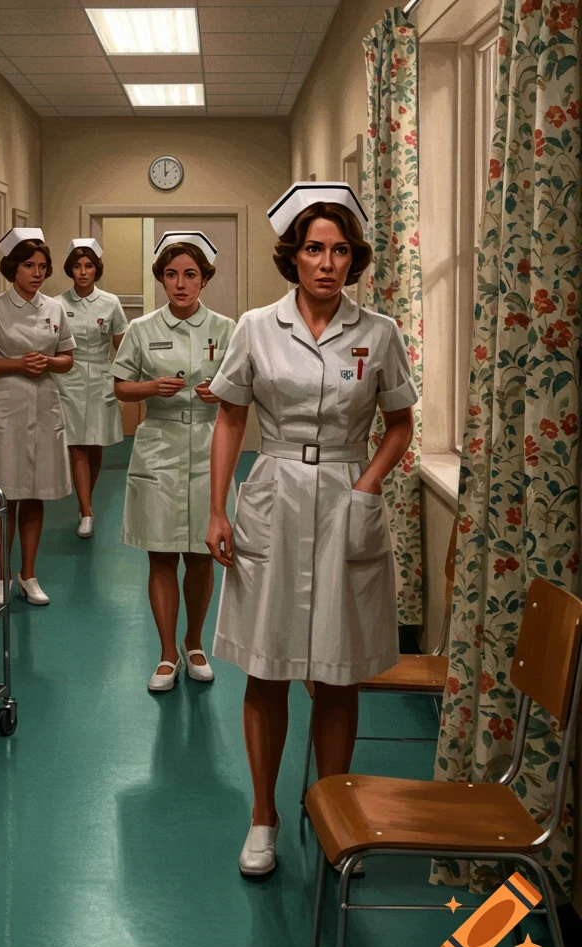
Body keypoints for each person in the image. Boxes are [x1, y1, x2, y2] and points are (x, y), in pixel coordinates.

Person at [205, 182, 416, 876]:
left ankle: (332, 810)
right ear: (292, 256)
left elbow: (400, 423)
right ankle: (262, 816)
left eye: (340, 250)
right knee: (265, 667)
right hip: (273, 491)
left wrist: (365, 485)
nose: (327, 261)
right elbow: (231, 415)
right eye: (313, 248)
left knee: (337, 672)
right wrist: (216, 508)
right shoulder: (255, 328)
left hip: (345, 495)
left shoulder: (378, 332)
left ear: (353, 259)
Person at [111, 232, 236, 692]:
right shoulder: (143, 329)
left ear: (204, 278)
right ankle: (167, 654)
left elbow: (247, 386)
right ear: (161, 279)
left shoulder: (227, 329)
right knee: (160, 553)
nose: (180, 284)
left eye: (190, 274)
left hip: (210, 443)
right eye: (171, 275)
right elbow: (121, 385)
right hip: (159, 444)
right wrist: (149, 389)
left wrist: (220, 393)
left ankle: (194, 642)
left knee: (201, 554)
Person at [0, 228, 75, 606]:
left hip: (44, 403)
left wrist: (48, 362)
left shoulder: (55, 309)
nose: (37, 273)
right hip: (6, 407)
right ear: (13, 268)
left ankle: (28, 574)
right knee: (4, 494)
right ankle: (1, 575)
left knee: (35, 493)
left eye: (43, 267)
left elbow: (68, 358)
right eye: (29, 265)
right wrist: (17, 363)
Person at [56, 238, 128, 538]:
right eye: (77, 266)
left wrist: (126, 379)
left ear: (96, 270)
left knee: (95, 446)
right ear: (70, 271)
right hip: (69, 378)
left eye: (88, 266)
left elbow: (122, 347)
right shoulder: (58, 303)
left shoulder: (110, 302)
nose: (82, 272)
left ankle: (86, 500)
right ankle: (86, 510)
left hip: (100, 375)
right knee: (77, 446)